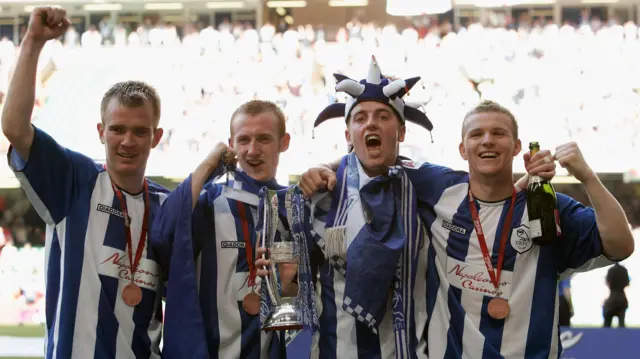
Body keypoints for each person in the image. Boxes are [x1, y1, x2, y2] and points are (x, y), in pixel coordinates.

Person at [301, 98, 635, 358]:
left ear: (517, 147)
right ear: (463, 149)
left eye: (499, 133)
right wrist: (323, 166)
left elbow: (622, 246)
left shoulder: (546, 206)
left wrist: (586, 176)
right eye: (477, 134)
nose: (487, 141)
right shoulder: (438, 187)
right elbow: (377, 159)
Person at [2, 7, 168, 359]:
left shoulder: (169, 206)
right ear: (100, 132)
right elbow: (15, 129)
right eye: (117, 129)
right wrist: (32, 42)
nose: (127, 141)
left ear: (156, 138)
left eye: (140, 131)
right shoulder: (74, 179)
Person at [151, 100, 300, 358]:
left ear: (284, 142)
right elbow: (163, 237)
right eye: (243, 140)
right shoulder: (210, 201)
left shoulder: (295, 210)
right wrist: (208, 165)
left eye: (264, 139)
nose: (253, 150)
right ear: (231, 145)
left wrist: (290, 287)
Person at [603, 263, 630, 327]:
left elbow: (607, 282)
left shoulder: (611, 270)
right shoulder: (624, 270)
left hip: (611, 299)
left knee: (607, 325)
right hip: (622, 299)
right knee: (621, 324)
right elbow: (627, 283)